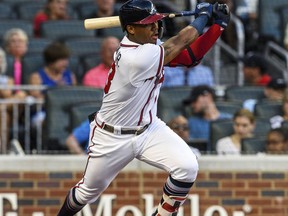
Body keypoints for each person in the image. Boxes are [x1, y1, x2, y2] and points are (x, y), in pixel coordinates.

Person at [57, 1, 230, 215]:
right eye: (148, 24)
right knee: (86, 193)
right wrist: (202, 18)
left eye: (156, 22)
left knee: (187, 167)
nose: (155, 28)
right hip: (111, 136)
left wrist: (216, 27)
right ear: (130, 29)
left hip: (149, 129)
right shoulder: (134, 57)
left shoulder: (150, 50)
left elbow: (189, 58)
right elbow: (177, 44)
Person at [29, 42, 77, 127]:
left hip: (65, 112)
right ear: (51, 61)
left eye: (66, 59)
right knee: (49, 121)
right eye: (62, 60)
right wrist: (57, 92)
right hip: (43, 113)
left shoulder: (71, 76)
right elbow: (36, 97)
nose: (65, 63)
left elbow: (75, 96)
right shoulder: (37, 77)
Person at [183, 85, 232, 150]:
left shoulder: (229, 120)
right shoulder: (191, 122)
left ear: (207, 97)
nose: (192, 105)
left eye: (195, 100)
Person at [0, 48, 27, 153]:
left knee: (21, 95)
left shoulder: (8, 79)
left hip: (7, 110)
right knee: (3, 114)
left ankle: (2, 149)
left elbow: (7, 93)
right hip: (5, 110)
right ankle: (3, 150)